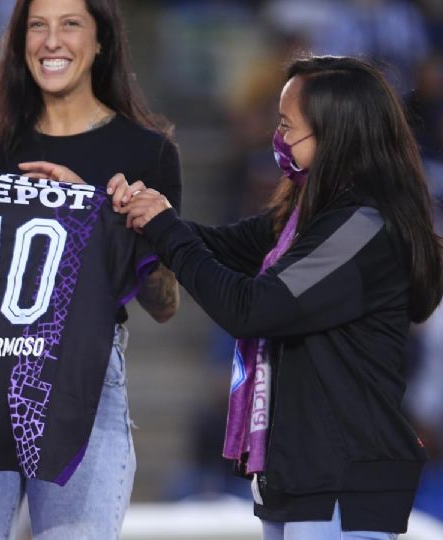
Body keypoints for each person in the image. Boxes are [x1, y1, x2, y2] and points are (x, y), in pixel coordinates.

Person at [116, 55, 443, 539]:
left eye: (289, 126)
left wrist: (165, 228)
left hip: (343, 481)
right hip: (299, 475)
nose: (279, 139)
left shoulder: (362, 229)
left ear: (335, 135)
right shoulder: (307, 218)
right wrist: (138, 213)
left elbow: (253, 309)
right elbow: (218, 245)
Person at [0, 0, 181, 536]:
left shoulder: (146, 153)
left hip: (82, 380)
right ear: (20, 43)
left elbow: (164, 305)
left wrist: (116, 221)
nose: (51, 41)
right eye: (37, 26)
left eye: (71, 24)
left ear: (101, 42)